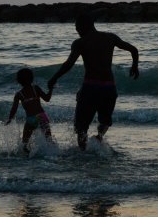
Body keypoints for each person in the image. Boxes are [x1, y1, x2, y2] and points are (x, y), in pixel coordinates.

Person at [48, 13, 139, 150]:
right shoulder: (110, 37)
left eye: (77, 27)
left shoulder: (80, 42)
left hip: (90, 87)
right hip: (109, 87)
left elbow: (69, 63)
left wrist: (54, 77)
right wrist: (135, 66)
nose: (77, 31)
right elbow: (133, 49)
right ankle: (99, 137)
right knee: (105, 120)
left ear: (84, 26)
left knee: (81, 127)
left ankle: (83, 152)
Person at [7, 68, 54, 153]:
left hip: (30, 119)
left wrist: (10, 119)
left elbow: (14, 109)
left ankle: (29, 157)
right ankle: (53, 154)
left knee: (24, 144)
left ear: (19, 81)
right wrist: (51, 89)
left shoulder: (19, 94)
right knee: (49, 140)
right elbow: (47, 99)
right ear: (32, 78)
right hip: (41, 116)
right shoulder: (35, 88)